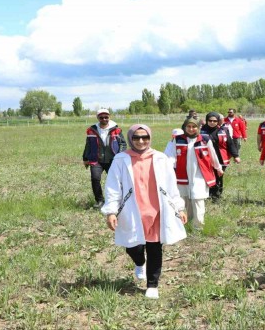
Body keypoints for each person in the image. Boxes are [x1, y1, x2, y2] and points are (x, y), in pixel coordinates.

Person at [101, 124, 188, 299]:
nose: (141, 141)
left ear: (150, 138)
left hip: (156, 210)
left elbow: (171, 186)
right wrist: (111, 211)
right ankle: (140, 262)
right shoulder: (120, 159)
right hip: (131, 210)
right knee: (133, 246)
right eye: (136, 137)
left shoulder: (160, 158)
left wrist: (179, 207)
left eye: (145, 137)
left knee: (155, 247)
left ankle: (152, 285)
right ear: (131, 138)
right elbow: (112, 188)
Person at [165, 118, 223, 228]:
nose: (191, 129)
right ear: (185, 127)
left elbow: (212, 155)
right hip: (182, 174)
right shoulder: (177, 140)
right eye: (189, 127)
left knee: (198, 199)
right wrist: (169, 168)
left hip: (199, 175)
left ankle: (198, 226)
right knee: (186, 199)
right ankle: (187, 223)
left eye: (194, 127)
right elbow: (171, 156)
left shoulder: (205, 139)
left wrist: (218, 167)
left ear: (198, 127)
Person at [82, 108, 127, 208]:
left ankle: (118, 200)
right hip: (96, 160)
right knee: (95, 179)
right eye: (101, 117)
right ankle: (100, 201)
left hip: (113, 160)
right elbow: (88, 145)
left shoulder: (116, 129)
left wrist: (120, 156)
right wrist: (85, 158)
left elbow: (123, 144)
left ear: (109, 117)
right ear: (98, 118)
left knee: (117, 180)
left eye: (106, 117)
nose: (104, 119)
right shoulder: (92, 130)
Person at [201, 112, 241, 201]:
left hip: (221, 158)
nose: (212, 122)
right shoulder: (201, 131)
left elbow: (230, 144)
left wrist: (236, 155)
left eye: (214, 121)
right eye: (210, 120)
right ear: (207, 121)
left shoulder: (223, 130)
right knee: (208, 176)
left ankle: (217, 195)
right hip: (206, 158)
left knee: (218, 176)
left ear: (218, 121)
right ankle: (208, 194)